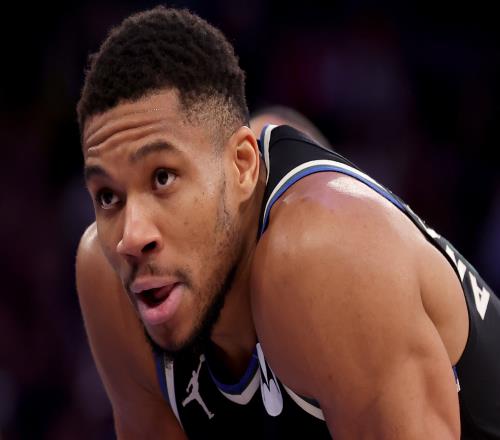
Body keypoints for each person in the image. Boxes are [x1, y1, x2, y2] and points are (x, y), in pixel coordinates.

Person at [75, 6, 500, 439]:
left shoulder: (327, 258)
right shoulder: (109, 279)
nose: (132, 237)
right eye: (108, 196)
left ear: (242, 166)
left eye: (163, 178)